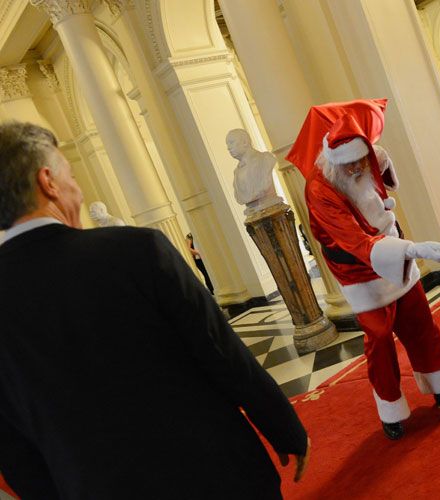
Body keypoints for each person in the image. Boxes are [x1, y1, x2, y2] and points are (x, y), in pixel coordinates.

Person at [0, 121, 309, 499]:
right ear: (48, 182)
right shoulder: (136, 250)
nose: (77, 191)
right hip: (215, 473)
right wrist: (282, 427)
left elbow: (11, 444)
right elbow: (220, 351)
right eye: (73, 175)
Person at [286, 100, 440, 441]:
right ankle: (390, 407)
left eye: (360, 162)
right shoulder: (319, 190)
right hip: (359, 270)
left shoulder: (369, 156)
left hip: (393, 248)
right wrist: (414, 249)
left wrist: (385, 163)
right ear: (333, 161)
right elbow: (357, 243)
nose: (355, 171)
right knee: (379, 340)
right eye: (348, 166)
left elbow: (386, 186)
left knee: (421, 323)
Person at [228, 128, 282, 215]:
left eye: (231, 142)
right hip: (253, 212)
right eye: (228, 144)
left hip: (270, 208)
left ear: (245, 142)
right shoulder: (236, 172)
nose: (228, 148)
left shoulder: (266, 159)